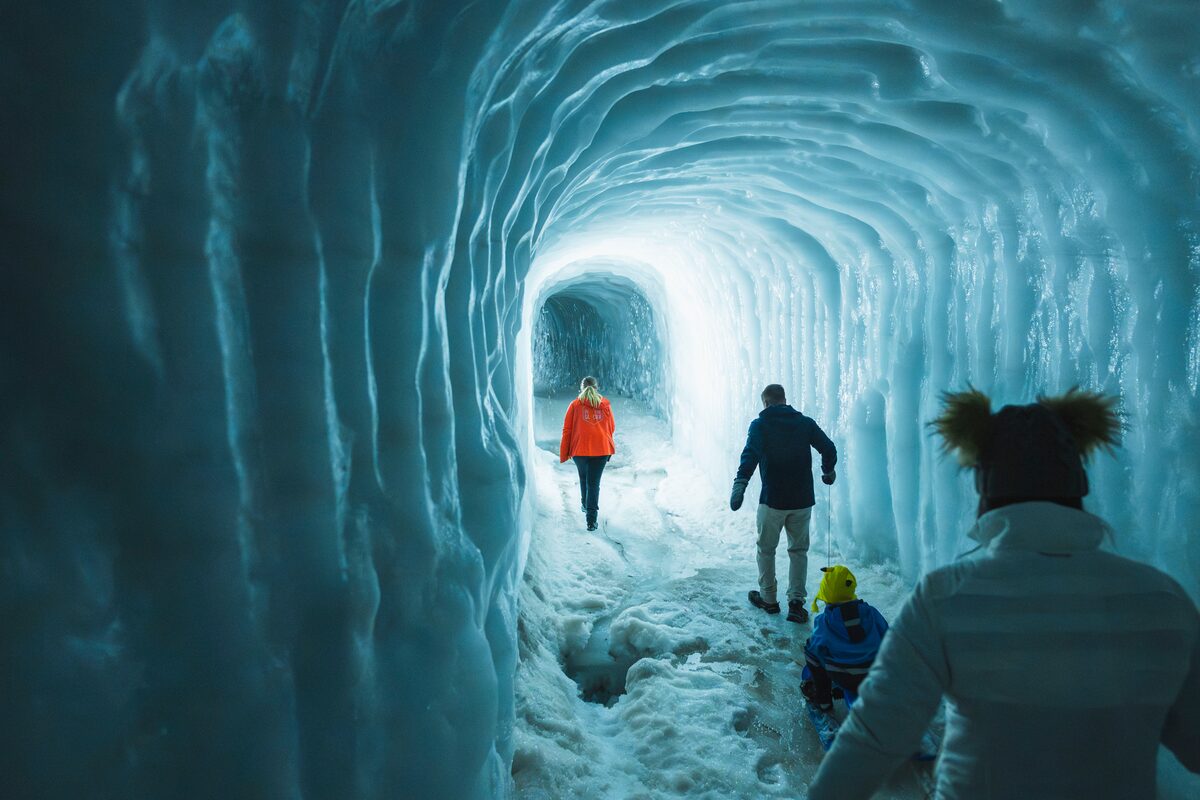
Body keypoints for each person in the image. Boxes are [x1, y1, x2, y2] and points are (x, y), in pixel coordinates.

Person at [808, 388, 1200, 800]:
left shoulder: (944, 598)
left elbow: (875, 735)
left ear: (984, 485)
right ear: (1078, 484)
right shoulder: (1163, 600)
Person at [730, 383, 837, 624]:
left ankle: (768, 599)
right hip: (801, 501)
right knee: (798, 551)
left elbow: (751, 454)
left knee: (766, 549)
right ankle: (796, 604)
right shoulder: (805, 423)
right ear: (784, 400)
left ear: (766, 403)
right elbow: (828, 448)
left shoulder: (760, 425)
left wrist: (741, 483)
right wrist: (828, 471)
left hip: (773, 500)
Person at [800, 564, 889, 712]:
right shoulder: (872, 613)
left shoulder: (824, 622)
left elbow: (816, 650)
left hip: (844, 678)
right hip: (875, 674)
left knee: (812, 653)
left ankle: (823, 702)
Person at [559, 376, 616, 531]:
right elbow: (611, 427)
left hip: (580, 449)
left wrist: (565, 452)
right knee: (593, 483)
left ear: (581, 388)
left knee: (584, 478)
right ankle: (591, 520)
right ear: (596, 388)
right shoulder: (604, 405)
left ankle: (585, 504)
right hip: (601, 449)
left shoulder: (575, 405)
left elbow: (567, 430)